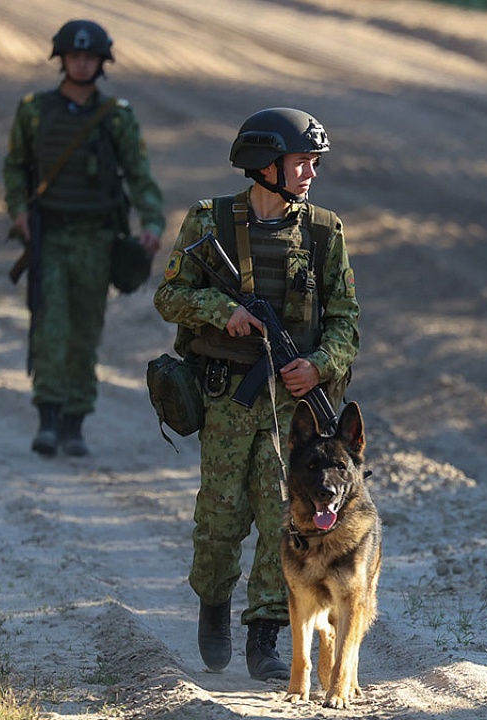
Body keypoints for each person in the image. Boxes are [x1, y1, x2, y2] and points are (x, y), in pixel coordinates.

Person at [153, 108, 359, 680]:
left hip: (291, 408)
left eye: (315, 163)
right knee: (220, 518)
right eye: (302, 162)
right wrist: (225, 312)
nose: (311, 173)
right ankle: (213, 605)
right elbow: (170, 295)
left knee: (285, 520)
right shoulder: (209, 221)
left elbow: (346, 321)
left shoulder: (322, 231)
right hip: (225, 399)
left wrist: (318, 367)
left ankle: (265, 635)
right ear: (265, 166)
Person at [3, 19, 165, 458]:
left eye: (88, 56)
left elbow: (139, 175)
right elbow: (16, 166)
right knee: (50, 328)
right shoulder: (35, 111)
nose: (80, 62)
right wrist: (19, 211)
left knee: (85, 331)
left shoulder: (117, 118)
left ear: (101, 63)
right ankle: (48, 420)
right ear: (61, 59)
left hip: (97, 240)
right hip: (49, 238)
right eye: (74, 56)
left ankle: (75, 423)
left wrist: (152, 222)